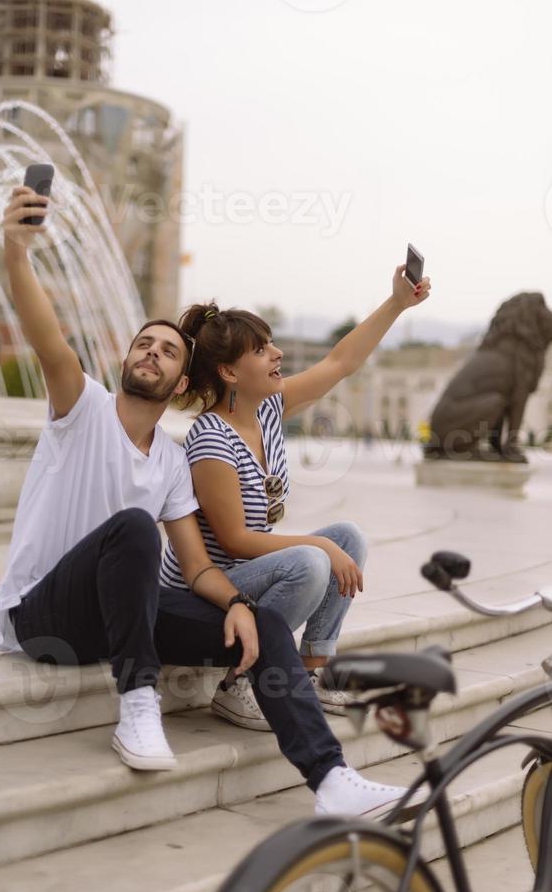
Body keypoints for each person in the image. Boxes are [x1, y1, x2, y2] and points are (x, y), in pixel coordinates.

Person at [0, 185, 419, 818]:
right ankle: (137, 706)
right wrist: (17, 251)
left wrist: (243, 605)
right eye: (142, 344)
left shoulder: (168, 460)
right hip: (43, 617)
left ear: (182, 380)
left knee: (266, 622)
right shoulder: (79, 410)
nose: (150, 353)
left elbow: (196, 567)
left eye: (166, 350)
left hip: (120, 620)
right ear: (125, 359)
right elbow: (47, 337)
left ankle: (331, 781)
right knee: (135, 528)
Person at [160, 267, 431, 728]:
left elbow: (339, 364)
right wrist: (317, 546)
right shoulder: (210, 440)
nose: (277, 353)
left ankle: (309, 672)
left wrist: (396, 304)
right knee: (311, 562)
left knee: (348, 537)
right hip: (199, 593)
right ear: (228, 372)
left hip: (241, 573)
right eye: (262, 349)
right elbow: (234, 542)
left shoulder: (266, 409)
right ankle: (239, 683)